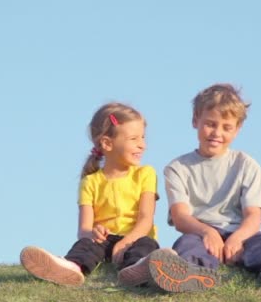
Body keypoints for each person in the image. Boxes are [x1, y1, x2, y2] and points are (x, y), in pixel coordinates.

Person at [147, 84, 261, 293]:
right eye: (210, 124)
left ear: (237, 130)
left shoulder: (246, 164)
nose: (217, 133)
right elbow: (181, 217)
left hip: (241, 232)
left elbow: (253, 215)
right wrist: (208, 233)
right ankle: (191, 274)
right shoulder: (177, 168)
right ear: (195, 120)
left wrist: (238, 237)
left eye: (226, 127)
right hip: (200, 232)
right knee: (187, 244)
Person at [21, 102, 162, 287]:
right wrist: (93, 232)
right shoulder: (90, 182)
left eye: (143, 137)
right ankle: (70, 268)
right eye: (134, 139)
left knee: (146, 245)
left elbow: (146, 220)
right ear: (107, 143)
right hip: (104, 240)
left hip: (136, 237)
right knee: (86, 245)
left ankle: (137, 270)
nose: (142, 145)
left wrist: (127, 241)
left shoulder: (146, 174)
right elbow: (84, 230)